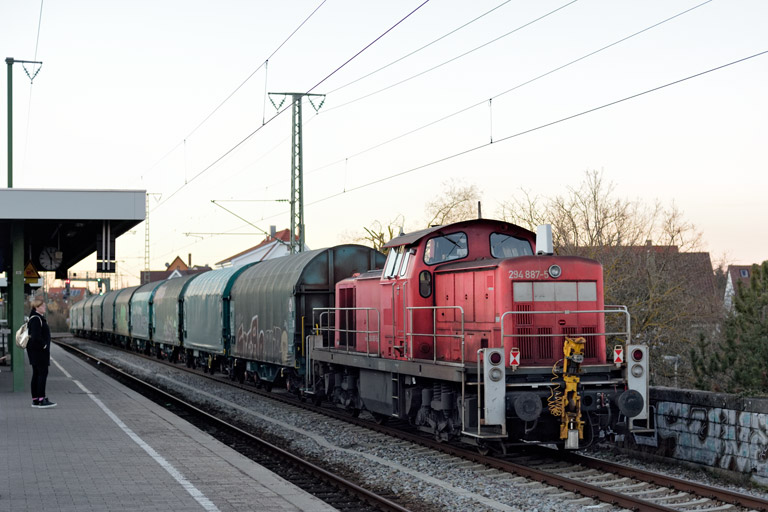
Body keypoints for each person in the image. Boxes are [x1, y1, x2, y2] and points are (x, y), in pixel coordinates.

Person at [27, 299, 56, 408]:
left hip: (36, 352)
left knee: (36, 374)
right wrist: (44, 345)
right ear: (37, 307)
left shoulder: (35, 318)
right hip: (39, 352)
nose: (45, 307)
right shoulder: (36, 319)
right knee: (42, 374)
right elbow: (35, 337)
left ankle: (36, 399)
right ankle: (41, 399)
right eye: (42, 306)